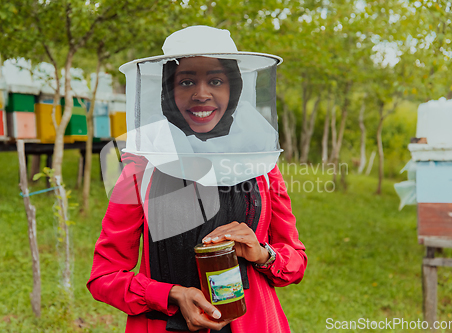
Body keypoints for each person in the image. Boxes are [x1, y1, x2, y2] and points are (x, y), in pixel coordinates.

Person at [87, 26, 307, 333]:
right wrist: (172, 294)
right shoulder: (141, 166)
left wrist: (262, 253)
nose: (201, 94)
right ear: (168, 91)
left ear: (234, 90)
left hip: (255, 323)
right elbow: (104, 276)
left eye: (216, 80)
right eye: (187, 81)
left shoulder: (261, 164)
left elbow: (295, 260)